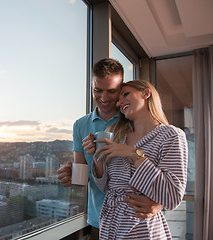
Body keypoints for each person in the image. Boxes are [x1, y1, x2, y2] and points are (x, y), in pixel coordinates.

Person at [57, 58, 163, 240]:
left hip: (135, 221)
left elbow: (162, 169)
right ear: (91, 87)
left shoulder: (133, 118)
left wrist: (159, 204)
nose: (104, 98)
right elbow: (81, 178)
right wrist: (70, 174)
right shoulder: (80, 125)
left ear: (121, 89)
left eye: (112, 91)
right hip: (99, 221)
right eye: (97, 90)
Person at [89, 80, 188, 239]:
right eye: (119, 100)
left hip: (142, 229)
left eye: (126, 94)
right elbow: (107, 188)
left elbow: (173, 196)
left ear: (146, 93)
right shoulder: (120, 138)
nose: (120, 102)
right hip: (109, 226)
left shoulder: (171, 135)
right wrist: (98, 157)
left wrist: (134, 154)